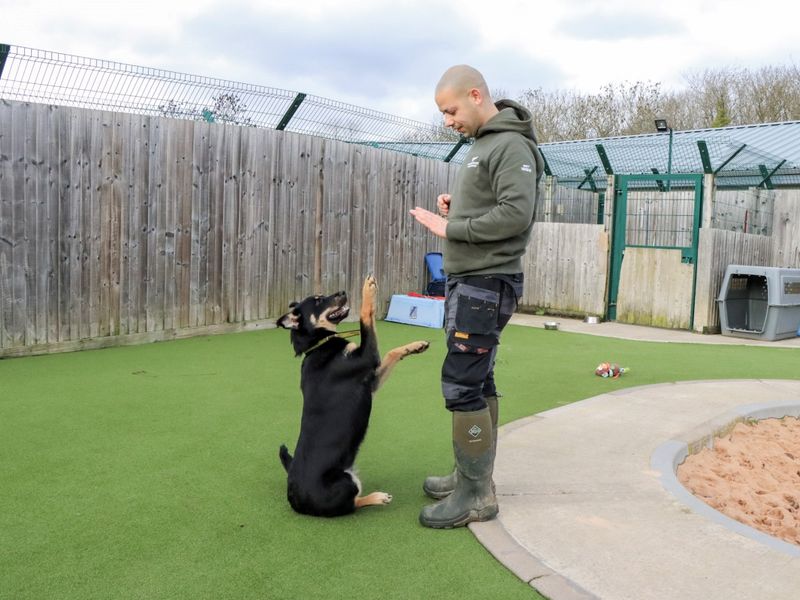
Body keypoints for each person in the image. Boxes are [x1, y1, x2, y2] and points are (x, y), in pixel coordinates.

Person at [409, 65, 544, 529]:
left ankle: (475, 494)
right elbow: (493, 203)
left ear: (474, 95)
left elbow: (516, 214)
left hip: (485, 283)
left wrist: (451, 228)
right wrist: (459, 207)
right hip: (470, 280)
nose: (448, 121)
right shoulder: (484, 144)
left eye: (450, 111)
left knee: (463, 384)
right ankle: (470, 476)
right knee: (479, 380)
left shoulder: (510, 145)